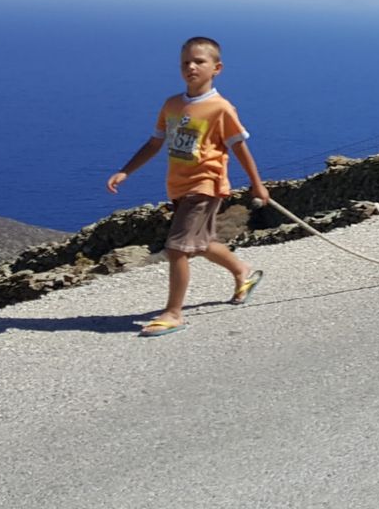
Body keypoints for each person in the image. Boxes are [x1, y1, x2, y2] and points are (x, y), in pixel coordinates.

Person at [107, 36, 270, 337]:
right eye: (186, 62)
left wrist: (257, 186)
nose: (191, 67)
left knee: (176, 248)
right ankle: (242, 272)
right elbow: (156, 142)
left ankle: (173, 313)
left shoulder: (220, 108)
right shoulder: (172, 104)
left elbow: (240, 149)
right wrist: (125, 171)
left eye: (199, 62)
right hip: (179, 186)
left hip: (206, 185)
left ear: (216, 68)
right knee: (200, 244)